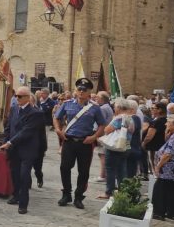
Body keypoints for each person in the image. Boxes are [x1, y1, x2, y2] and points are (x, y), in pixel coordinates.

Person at [53, 78, 107, 209]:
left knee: (83, 171)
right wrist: (58, 130)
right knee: (64, 168)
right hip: (69, 141)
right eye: (79, 89)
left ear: (89, 92)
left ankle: (78, 197)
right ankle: (66, 194)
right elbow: (56, 117)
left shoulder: (95, 108)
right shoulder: (67, 104)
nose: (81, 92)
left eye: (85, 90)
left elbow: (102, 125)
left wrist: (94, 137)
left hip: (85, 143)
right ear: (75, 91)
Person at [0, 86, 45, 214]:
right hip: (14, 149)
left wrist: (9, 142)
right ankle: (16, 195)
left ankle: (23, 204)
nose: (17, 98)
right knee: (14, 174)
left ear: (27, 98)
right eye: (16, 96)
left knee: (24, 175)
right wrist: (5, 141)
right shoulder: (13, 109)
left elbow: (26, 131)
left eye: (19, 96)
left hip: (27, 150)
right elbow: (9, 127)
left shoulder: (36, 113)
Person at [97, 98, 136, 200]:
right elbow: (132, 131)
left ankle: (109, 192)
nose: (114, 108)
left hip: (115, 147)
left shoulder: (119, 118)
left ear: (118, 107)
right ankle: (123, 191)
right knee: (121, 169)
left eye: (114, 106)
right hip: (126, 146)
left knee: (110, 169)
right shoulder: (130, 118)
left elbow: (107, 130)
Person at [152, 114, 174, 221]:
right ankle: (172, 213)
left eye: (168, 122)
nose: (166, 124)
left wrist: (158, 166)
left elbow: (168, 153)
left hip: (169, 166)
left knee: (160, 188)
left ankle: (158, 212)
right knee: (173, 188)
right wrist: (167, 134)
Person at [94, 91, 114, 183]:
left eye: (97, 97)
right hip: (106, 133)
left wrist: (97, 135)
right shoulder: (108, 107)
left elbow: (101, 123)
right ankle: (104, 175)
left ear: (102, 99)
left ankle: (102, 175)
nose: (96, 99)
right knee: (103, 154)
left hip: (102, 134)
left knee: (102, 154)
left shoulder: (102, 108)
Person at [142, 102, 168, 170]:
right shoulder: (167, 120)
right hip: (164, 147)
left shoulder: (156, 122)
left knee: (156, 164)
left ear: (160, 110)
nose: (151, 110)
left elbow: (149, 136)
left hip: (155, 147)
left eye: (153, 108)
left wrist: (144, 143)